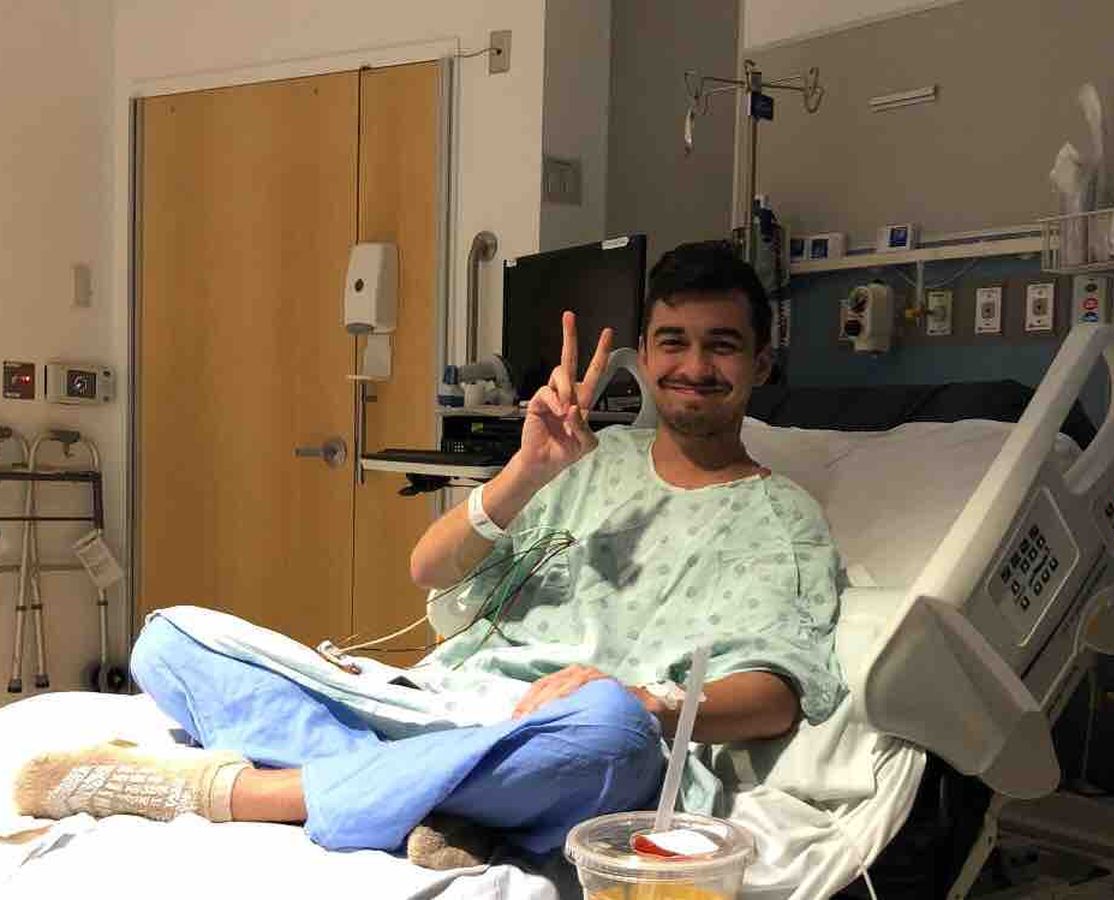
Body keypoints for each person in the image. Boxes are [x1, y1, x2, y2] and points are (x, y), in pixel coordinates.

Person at [14, 240, 844, 869]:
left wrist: (645, 699)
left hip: (570, 737)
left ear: (761, 362)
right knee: (170, 637)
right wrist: (527, 470)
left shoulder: (780, 517)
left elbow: (775, 696)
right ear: (646, 353)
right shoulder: (592, 462)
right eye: (673, 341)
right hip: (443, 702)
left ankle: (241, 793)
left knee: (614, 734)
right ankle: (449, 800)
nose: (694, 366)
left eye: (721, 345)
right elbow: (431, 570)